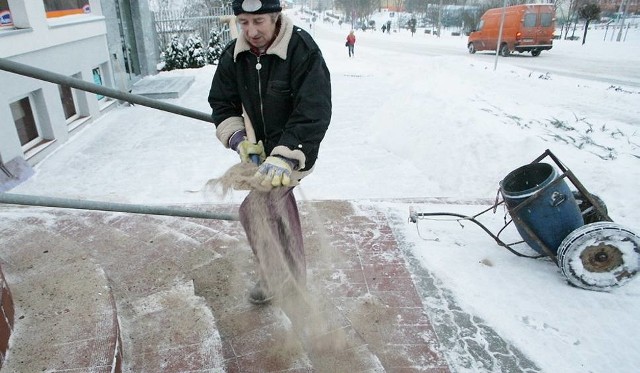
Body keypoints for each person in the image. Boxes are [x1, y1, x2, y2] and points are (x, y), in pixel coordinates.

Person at [208, 0, 332, 305]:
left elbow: (314, 110)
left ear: (276, 16)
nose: (251, 31)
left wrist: (285, 154)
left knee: (256, 210)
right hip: (259, 153)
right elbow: (221, 103)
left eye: (259, 21)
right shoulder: (233, 56)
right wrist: (239, 139)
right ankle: (278, 277)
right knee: (271, 209)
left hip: (295, 151)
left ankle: (283, 280)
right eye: (244, 22)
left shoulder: (302, 50)